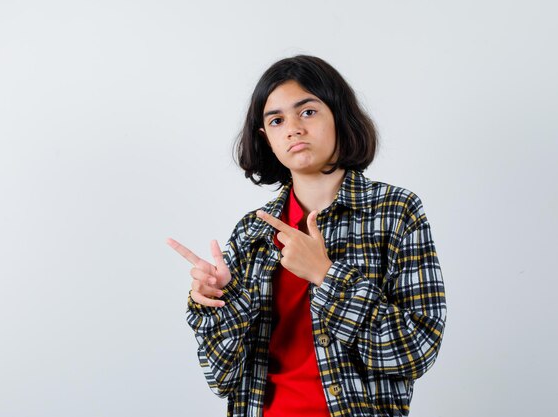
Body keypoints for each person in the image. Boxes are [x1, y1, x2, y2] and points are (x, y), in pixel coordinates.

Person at [166, 55, 447, 417]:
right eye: (277, 120)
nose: (293, 128)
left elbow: (415, 352)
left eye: (308, 112)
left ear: (339, 116)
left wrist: (326, 276)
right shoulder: (253, 231)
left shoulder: (396, 211)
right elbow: (221, 379)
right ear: (266, 138)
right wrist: (219, 302)